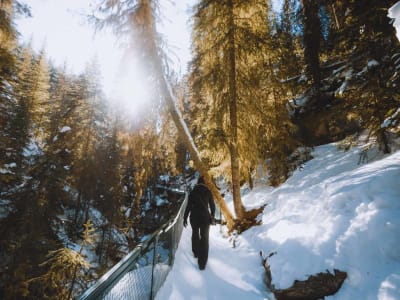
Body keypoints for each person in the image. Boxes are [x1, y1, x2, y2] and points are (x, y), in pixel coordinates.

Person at [183, 176, 216, 270]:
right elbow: (212, 206)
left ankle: (196, 252)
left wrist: (184, 218)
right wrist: (212, 216)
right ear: (205, 183)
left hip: (194, 217)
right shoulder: (208, 191)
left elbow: (188, 206)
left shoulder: (193, 192)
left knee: (195, 233)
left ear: (197, 182)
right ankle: (202, 263)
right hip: (205, 218)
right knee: (205, 239)